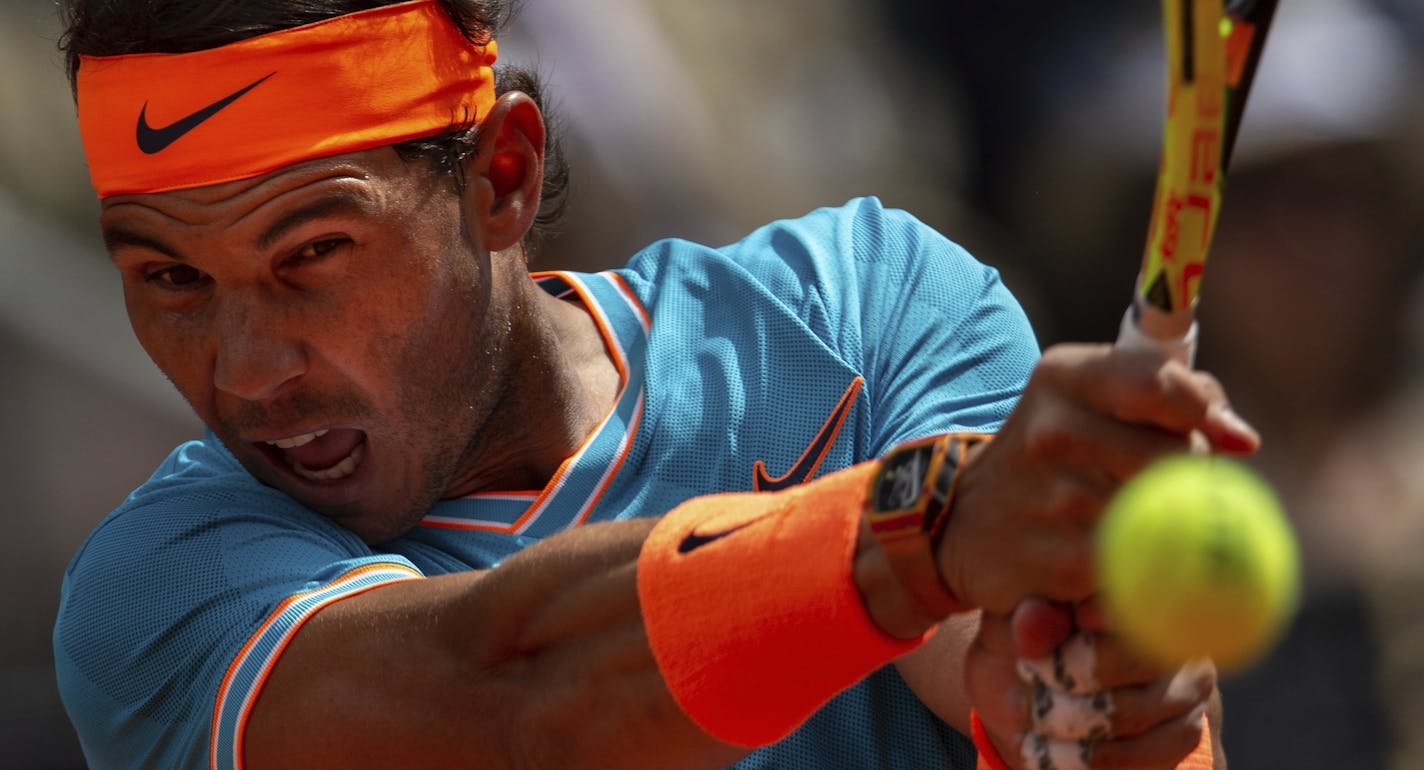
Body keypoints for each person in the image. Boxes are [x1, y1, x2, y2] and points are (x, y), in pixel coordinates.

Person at [52, 1, 1257, 767]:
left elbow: (1011, 672)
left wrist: (1090, 695)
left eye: (312, 254)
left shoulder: (864, 312)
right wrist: (919, 526)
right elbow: (508, 697)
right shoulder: (158, 592)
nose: (247, 367)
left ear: (501, 178)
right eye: (170, 278)